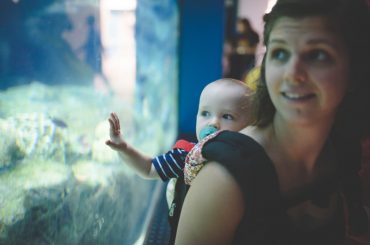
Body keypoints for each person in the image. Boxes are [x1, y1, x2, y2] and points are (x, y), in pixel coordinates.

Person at [175, 0, 370, 244]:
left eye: (318, 55)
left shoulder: (345, 153)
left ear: (356, 71)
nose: (292, 73)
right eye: (279, 53)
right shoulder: (225, 177)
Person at [106, 78, 254, 242]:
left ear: (250, 127)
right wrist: (124, 148)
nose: (213, 122)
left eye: (227, 116)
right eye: (205, 113)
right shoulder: (185, 156)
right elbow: (148, 168)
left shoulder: (250, 162)